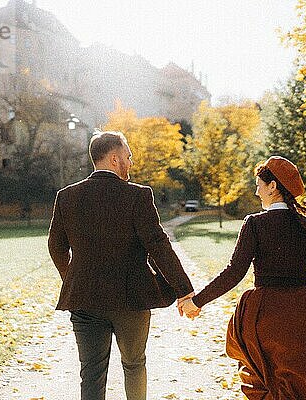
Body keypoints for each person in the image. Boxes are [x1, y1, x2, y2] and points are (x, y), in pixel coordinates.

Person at [181, 156, 306, 400]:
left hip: (265, 314)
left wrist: (197, 301)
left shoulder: (255, 223)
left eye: (259, 184)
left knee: (269, 381)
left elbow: (234, 272)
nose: (256, 191)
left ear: (273, 186)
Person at [48, 131, 195, 400]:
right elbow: (158, 245)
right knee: (134, 365)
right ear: (115, 159)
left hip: (85, 299)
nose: (131, 162)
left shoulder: (67, 196)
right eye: (128, 156)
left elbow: (56, 246)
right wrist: (183, 289)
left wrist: (73, 276)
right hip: (132, 299)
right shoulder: (138, 196)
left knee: (91, 372)